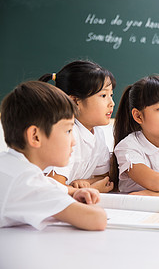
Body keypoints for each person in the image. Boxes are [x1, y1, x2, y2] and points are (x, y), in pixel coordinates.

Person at [0, 81, 106, 231]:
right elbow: (96, 219)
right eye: (68, 131)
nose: (74, 142)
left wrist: (75, 192)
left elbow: (49, 184)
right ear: (35, 136)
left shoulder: (11, 165)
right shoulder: (24, 180)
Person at [39, 60, 115, 193]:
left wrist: (85, 183)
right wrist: (91, 188)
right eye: (103, 95)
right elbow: (52, 189)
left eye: (111, 95)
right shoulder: (67, 133)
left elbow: (104, 177)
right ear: (74, 101)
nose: (112, 103)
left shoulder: (98, 133)